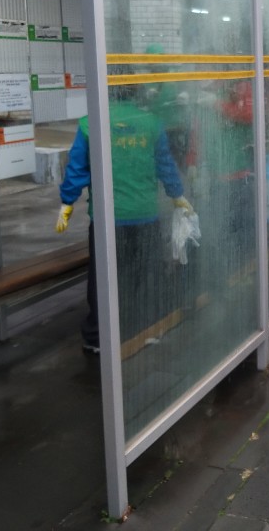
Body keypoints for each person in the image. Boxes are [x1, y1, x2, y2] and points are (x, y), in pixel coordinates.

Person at [55, 81, 190, 355]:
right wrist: (178, 195)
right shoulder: (151, 123)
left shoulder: (89, 123)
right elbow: (164, 163)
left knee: (103, 279)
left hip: (107, 219)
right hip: (145, 213)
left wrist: (67, 204)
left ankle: (97, 337)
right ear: (136, 91)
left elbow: (77, 169)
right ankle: (141, 328)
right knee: (143, 274)